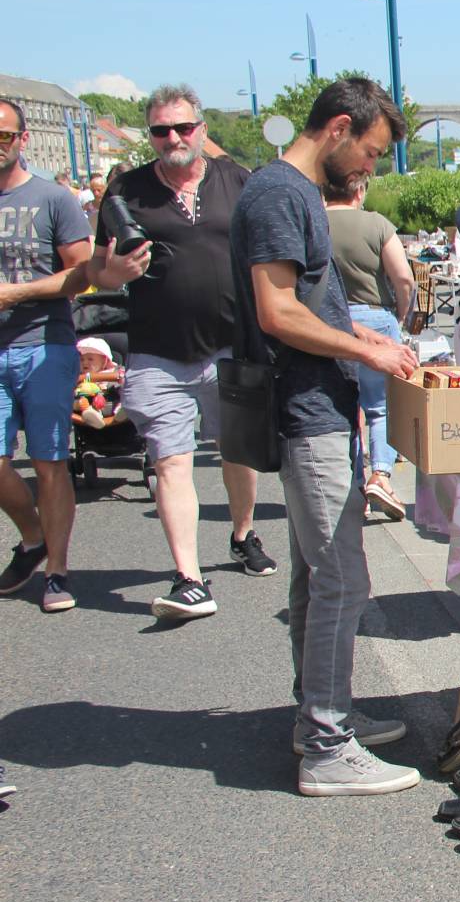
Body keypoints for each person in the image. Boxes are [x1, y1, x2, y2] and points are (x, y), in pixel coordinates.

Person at [231, 77, 418, 797]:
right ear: (338, 128)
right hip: (306, 408)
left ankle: (322, 715)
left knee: (319, 575)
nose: (370, 169)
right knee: (342, 577)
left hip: (318, 405)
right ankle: (326, 744)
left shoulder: (292, 191)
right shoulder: (281, 194)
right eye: (369, 153)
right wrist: (366, 350)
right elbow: (277, 311)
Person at [88, 85, 277, 621]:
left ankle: (242, 534)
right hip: (157, 352)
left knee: (236, 453)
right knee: (171, 462)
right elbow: (97, 269)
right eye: (161, 130)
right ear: (150, 135)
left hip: (229, 347)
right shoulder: (127, 189)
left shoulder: (236, 181)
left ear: (202, 129)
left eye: (183, 128)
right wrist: (115, 273)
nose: (173, 138)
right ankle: (189, 579)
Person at [0, 99, 140, 610]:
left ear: (21, 141)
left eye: (5, 137)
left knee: (49, 461)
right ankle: (34, 536)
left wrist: (14, 294)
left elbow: (81, 273)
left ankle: (56, 570)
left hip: (42, 343)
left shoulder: (53, 199)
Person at [321, 176, 414, 520]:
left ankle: (354, 485)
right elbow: (403, 277)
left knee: (345, 409)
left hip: (331, 323)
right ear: (359, 191)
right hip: (376, 319)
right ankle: (381, 476)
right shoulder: (376, 224)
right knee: (381, 407)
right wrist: (401, 313)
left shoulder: (316, 224)